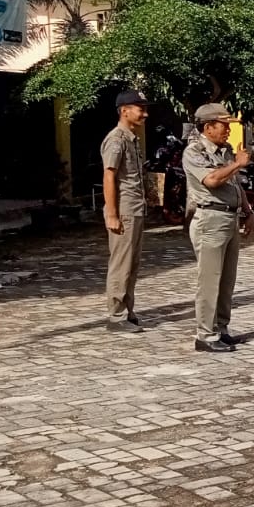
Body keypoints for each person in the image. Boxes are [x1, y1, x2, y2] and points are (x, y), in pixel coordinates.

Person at [183, 104, 254, 354]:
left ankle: (221, 328)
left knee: (226, 280)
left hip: (229, 218)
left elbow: (235, 186)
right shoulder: (194, 152)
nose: (228, 131)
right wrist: (237, 164)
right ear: (208, 127)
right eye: (224, 125)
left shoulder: (225, 151)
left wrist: (248, 212)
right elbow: (213, 180)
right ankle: (205, 334)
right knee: (210, 280)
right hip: (210, 220)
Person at [101, 90, 150, 333]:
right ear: (124, 110)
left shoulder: (132, 138)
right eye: (140, 109)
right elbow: (109, 175)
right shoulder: (116, 139)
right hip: (124, 210)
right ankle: (116, 315)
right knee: (121, 263)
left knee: (133, 263)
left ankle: (127, 310)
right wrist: (112, 213)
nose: (145, 114)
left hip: (136, 208)